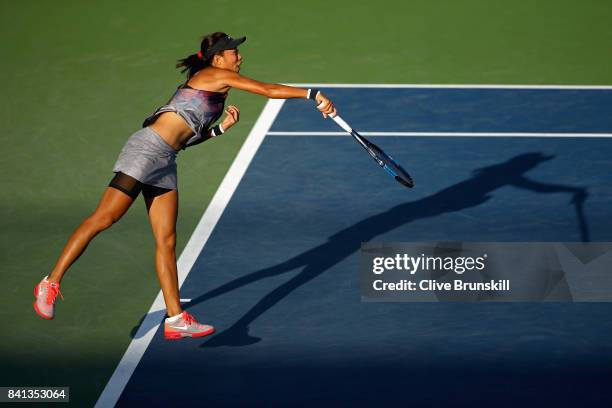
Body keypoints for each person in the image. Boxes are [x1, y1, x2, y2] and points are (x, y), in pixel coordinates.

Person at [34, 32, 336, 340]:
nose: (240, 57)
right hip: (146, 150)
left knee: (166, 240)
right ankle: (50, 282)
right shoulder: (214, 75)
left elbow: (184, 138)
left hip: (166, 160)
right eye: (234, 53)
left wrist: (219, 130)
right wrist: (314, 95)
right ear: (219, 59)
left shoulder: (216, 88)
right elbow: (267, 90)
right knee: (105, 218)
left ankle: (175, 318)